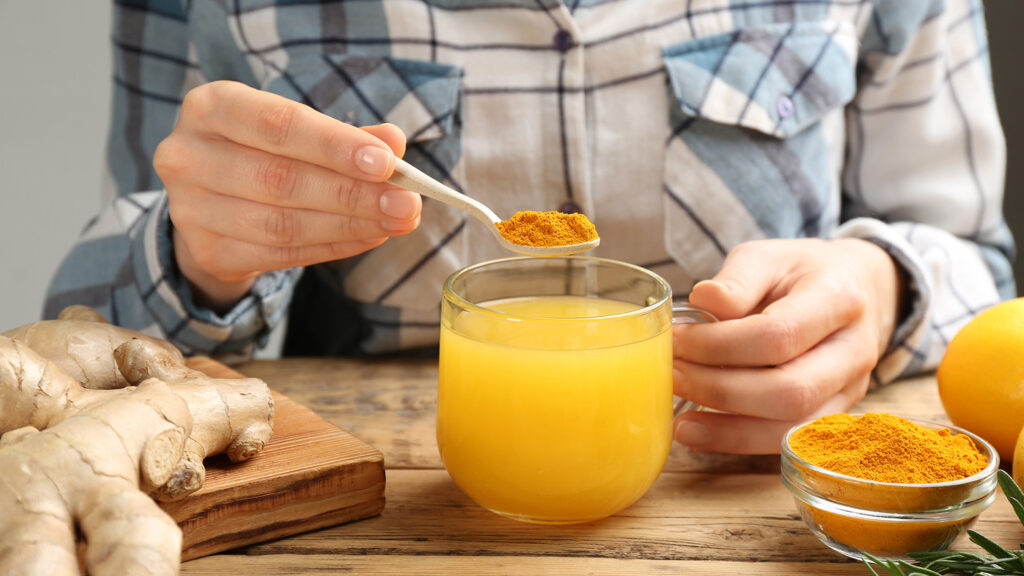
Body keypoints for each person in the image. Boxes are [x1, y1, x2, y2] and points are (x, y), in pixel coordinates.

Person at [46, 0, 1015, 455]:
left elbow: (979, 261)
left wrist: (881, 283)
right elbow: (86, 339)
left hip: (744, 493)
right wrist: (194, 255)